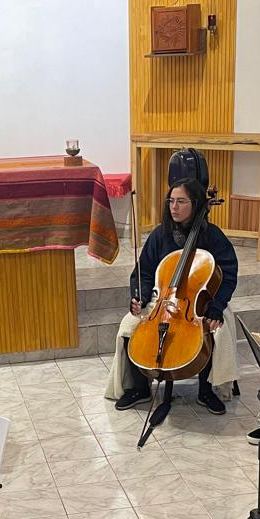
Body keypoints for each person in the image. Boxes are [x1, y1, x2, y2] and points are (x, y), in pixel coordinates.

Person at [105, 177, 239, 419]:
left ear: (196, 204)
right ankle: (139, 388)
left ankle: (207, 389)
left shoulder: (213, 237)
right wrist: (140, 296)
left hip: (202, 303)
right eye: (171, 201)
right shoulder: (160, 235)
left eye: (181, 201)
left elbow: (228, 276)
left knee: (214, 329)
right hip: (162, 302)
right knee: (129, 326)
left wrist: (217, 307)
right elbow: (143, 272)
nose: (174, 207)